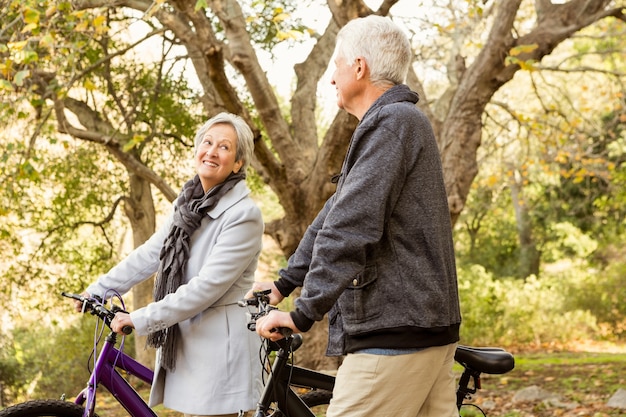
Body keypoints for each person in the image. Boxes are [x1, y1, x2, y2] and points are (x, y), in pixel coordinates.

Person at [250, 15, 461, 417]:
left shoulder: (393, 123)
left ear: (359, 67)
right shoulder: (392, 126)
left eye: (336, 65)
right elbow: (334, 213)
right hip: (420, 329)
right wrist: (284, 283)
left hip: (395, 333)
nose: (331, 78)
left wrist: (302, 312)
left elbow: (350, 227)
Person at [75, 112, 264, 417]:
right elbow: (152, 253)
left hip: (220, 357)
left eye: (224, 147)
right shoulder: (187, 206)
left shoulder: (244, 216)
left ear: (238, 163)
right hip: (190, 347)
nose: (212, 151)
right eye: (207, 142)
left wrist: (140, 317)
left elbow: (206, 288)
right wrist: (98, 290)